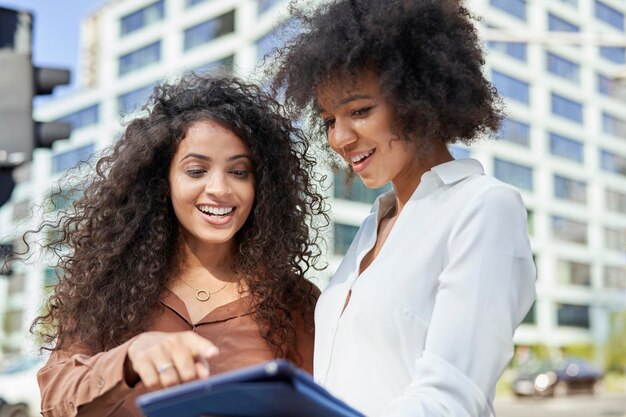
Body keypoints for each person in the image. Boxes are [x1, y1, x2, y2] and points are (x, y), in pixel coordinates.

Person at [271, 0, 536, 416]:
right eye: (328, 120)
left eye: (359, 111)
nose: (339, 137)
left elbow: (453, 397)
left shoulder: (484, 207)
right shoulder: (371, 227)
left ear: (417, 96)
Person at [31, 74, 326, 417]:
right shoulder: (108, 288)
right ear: (163, 181)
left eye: (239, 172)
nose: (219, 188)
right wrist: (128, 361)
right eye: (197, 170)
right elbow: (55, 399)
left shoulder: (294, 302)